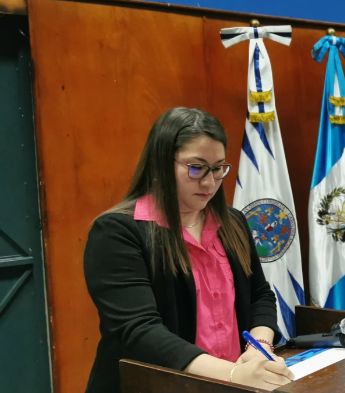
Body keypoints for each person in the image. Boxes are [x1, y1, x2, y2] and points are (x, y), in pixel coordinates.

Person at [83, 108, 293, 393]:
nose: (209, 183)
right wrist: (232, 373)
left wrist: (259, 349)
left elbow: (260, 295)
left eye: (218, 168)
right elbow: (139, 330)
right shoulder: (116, 232)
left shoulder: (232, 221)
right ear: (161, 164)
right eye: (196, 168)